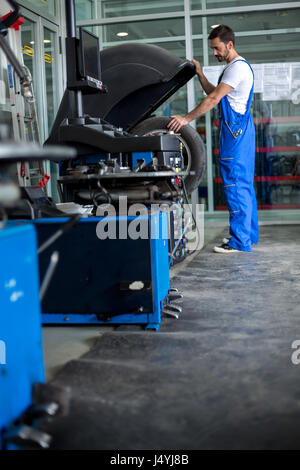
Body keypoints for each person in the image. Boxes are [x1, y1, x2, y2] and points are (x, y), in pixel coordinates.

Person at [167, 24, 259, 253]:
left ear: (230, 44)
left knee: (235, 185)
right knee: (244, 184)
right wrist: (199, 73)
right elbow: (214, 92)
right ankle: (249, 236)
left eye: (217, 49)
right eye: (212, 49)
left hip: (235, 133)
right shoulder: (234, 68)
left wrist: (186, 119)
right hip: (241, 130)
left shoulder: (236, 68)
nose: (215, 53)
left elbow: (213, 99)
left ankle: (238, 242)